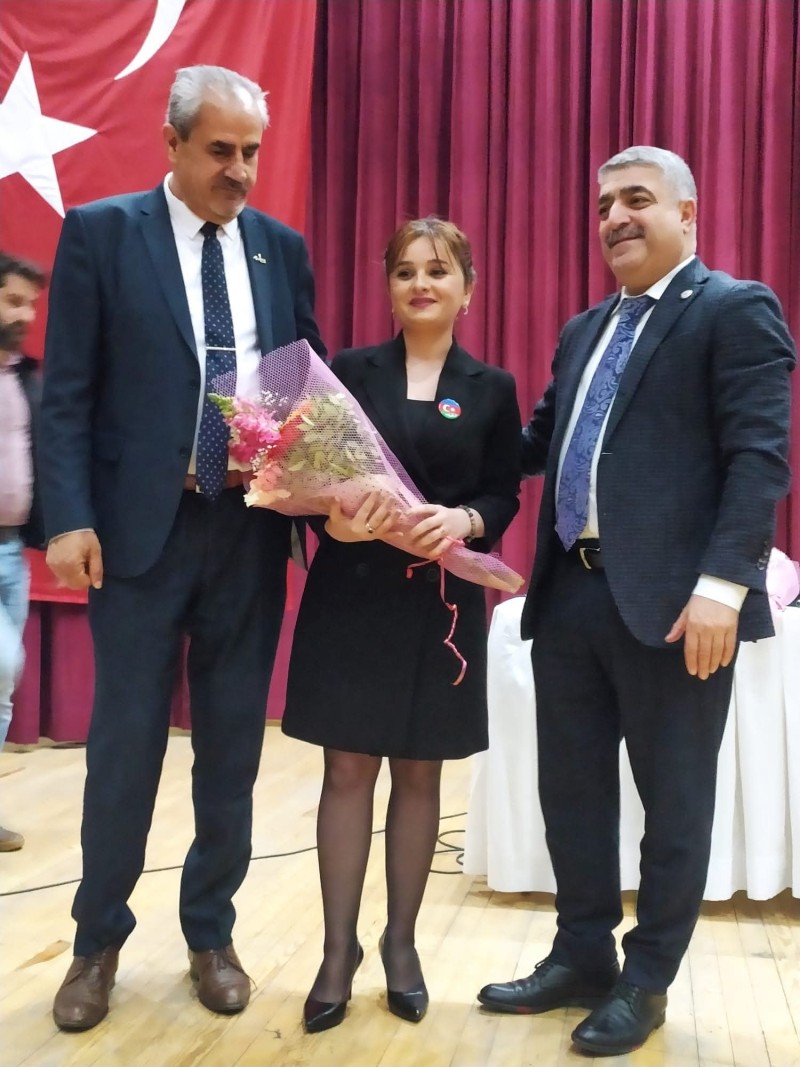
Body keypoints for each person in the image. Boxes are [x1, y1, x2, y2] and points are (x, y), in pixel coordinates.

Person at [477, 146, 796, 1056]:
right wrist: (420, 442)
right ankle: (581, 954)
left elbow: (759, 459)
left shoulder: (733, 308)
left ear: (687, 214)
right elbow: (534, 445)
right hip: (570, 596)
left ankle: (646, 979)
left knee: (675, 804)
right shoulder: (585, 329)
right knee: (571, 794)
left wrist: (723, 587)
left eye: (637, 199)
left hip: (679, 609)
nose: (615, 216)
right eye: (604, 203)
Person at [39, 65, 324, 1031]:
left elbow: (304, 389)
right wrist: (68, 517)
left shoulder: (281, 250)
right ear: (171, 143)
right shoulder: (102, 233)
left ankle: (212, 932)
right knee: (123, 750)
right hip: (136, 539)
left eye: (252, 152)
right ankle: (95, 943)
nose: (239, 169)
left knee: (233, 749)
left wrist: (329, 484)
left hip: (247, 533)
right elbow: (67, 392)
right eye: (220, 150)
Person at [282, 217, 521, 1032]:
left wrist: (466, 520)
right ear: (388, 286)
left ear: (467, 288)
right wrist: (333, 525)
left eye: (439, 270)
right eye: (406, 270)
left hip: (440, 609)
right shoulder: (345, 373)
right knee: (347, 772)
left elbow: (502, 492)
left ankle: (402, 945)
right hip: (351, 598)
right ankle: (336, 952)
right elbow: (306, 481)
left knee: (420, 776)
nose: (422, 283)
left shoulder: (492, 387)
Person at [0, 252, 46, 852]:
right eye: (13, 301)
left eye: (30, 304)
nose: (26, 316)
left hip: (11, 552)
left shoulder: (25, 378)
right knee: (2, 661)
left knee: (1, 689)